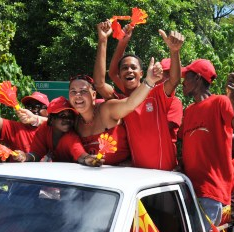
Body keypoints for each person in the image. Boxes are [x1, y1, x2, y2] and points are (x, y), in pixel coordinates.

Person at [69, 22, 163, 165]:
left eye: (83, 91)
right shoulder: (75, 121)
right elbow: (101, 82)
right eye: (73, 92)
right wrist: (103, 39)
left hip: (136, 170)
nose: (78, 96)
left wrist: (149, 82)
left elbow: (130, 103)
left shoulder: (109, 107)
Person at [99, 22, 184, 171]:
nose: (129, 71)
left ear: (142, 74)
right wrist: (123, 42)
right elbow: (111, 73)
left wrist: (174, 51)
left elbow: (174, 80)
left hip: (164, 175)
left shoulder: (156, 93)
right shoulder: (122, 101)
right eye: (124, 68)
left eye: (133, 67)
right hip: (138, 176)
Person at [179, 59, 234, 231]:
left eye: (186, 77)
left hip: (210, 191)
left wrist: (232, 96)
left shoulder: (220, 102)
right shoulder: (188, 111)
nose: (183, 82)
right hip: (187, 188)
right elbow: (181, 142)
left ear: (197, 78)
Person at [0, 66, 49, 153]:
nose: (33, 110)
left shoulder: (54, 131)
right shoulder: (15, 128)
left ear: (49, 111)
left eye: (38, 106)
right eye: (29, 106)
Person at [12, 96, 96, 166]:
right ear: (51, 120)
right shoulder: (44, 129)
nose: (67, 119)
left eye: (70, 116)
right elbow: (36, 154)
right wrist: (25, 157)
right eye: (62, 115)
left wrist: (87, 159)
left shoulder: (70, 137)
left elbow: (80, 154)